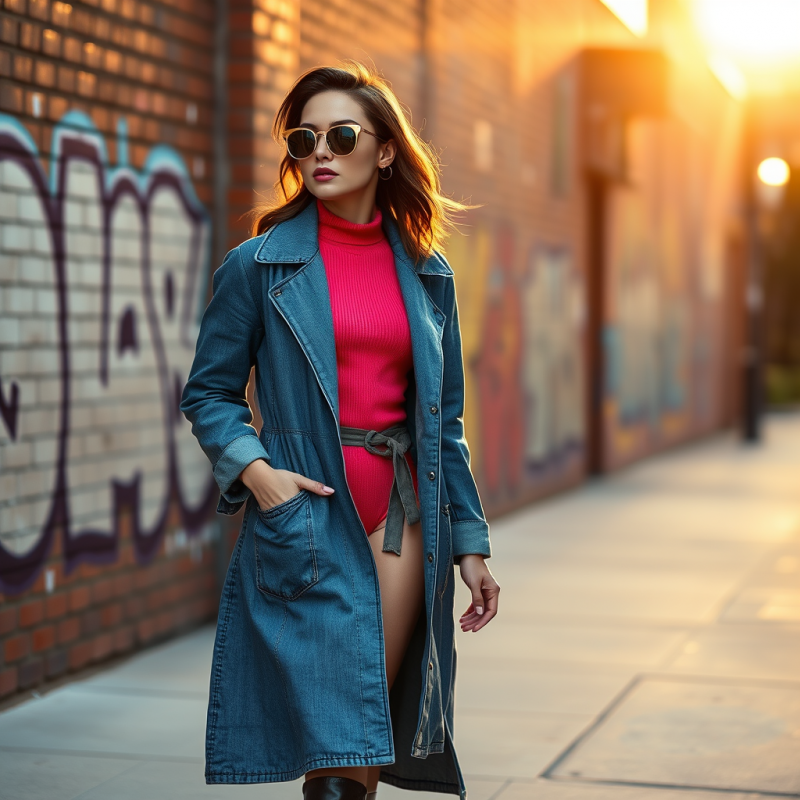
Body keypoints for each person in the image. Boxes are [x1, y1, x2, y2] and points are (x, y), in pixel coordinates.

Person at [180, 61, 500, 800]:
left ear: (385, 150)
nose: (320, 151)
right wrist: (261, 479)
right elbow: (209, 393)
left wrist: (472, 543)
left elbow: (442, 423)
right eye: (303, 139)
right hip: (305, 518)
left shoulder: (429, 274)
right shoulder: (257, 267)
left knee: (357, 727)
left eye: (342, 134)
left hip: (400, 521)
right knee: (340, 729)